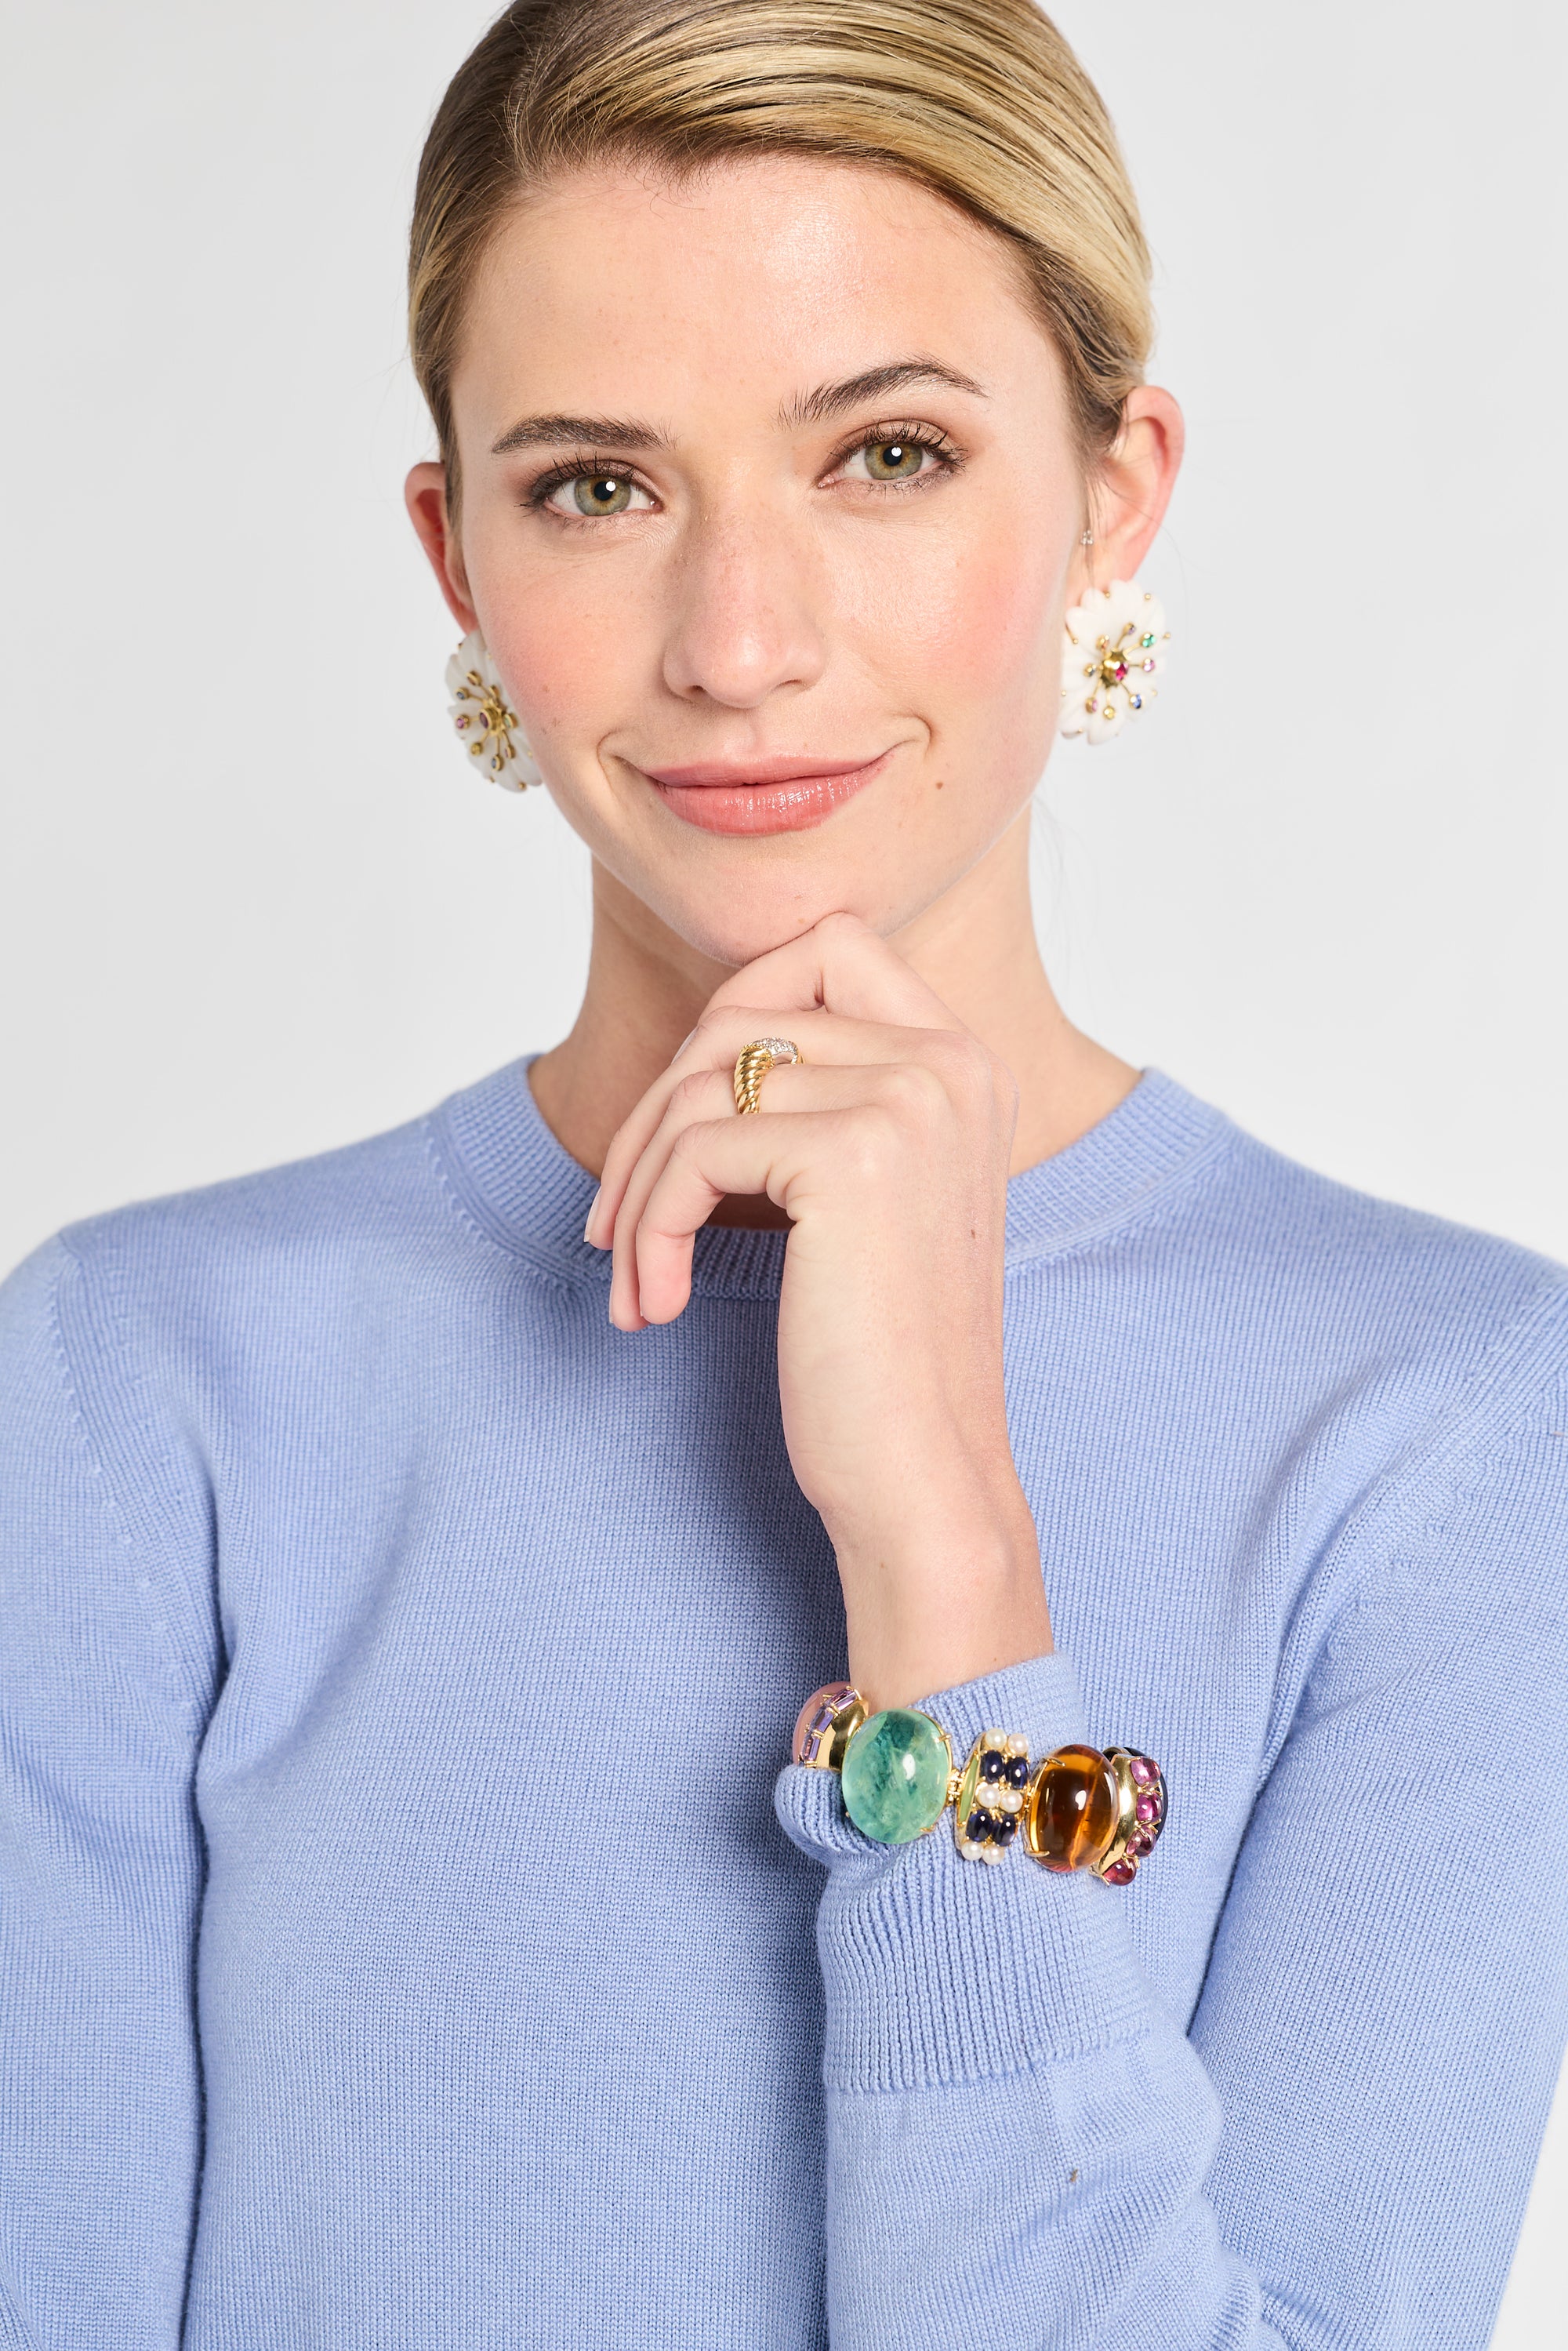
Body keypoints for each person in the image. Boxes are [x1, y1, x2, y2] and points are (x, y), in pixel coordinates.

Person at [2, 2, 1563, 2343]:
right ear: (453, 551)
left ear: (1117, 488)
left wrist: (945, 1555)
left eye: (890, 454)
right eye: (596, 488)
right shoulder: (139, 1394)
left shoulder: (1452, 1428)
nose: (740, 646)